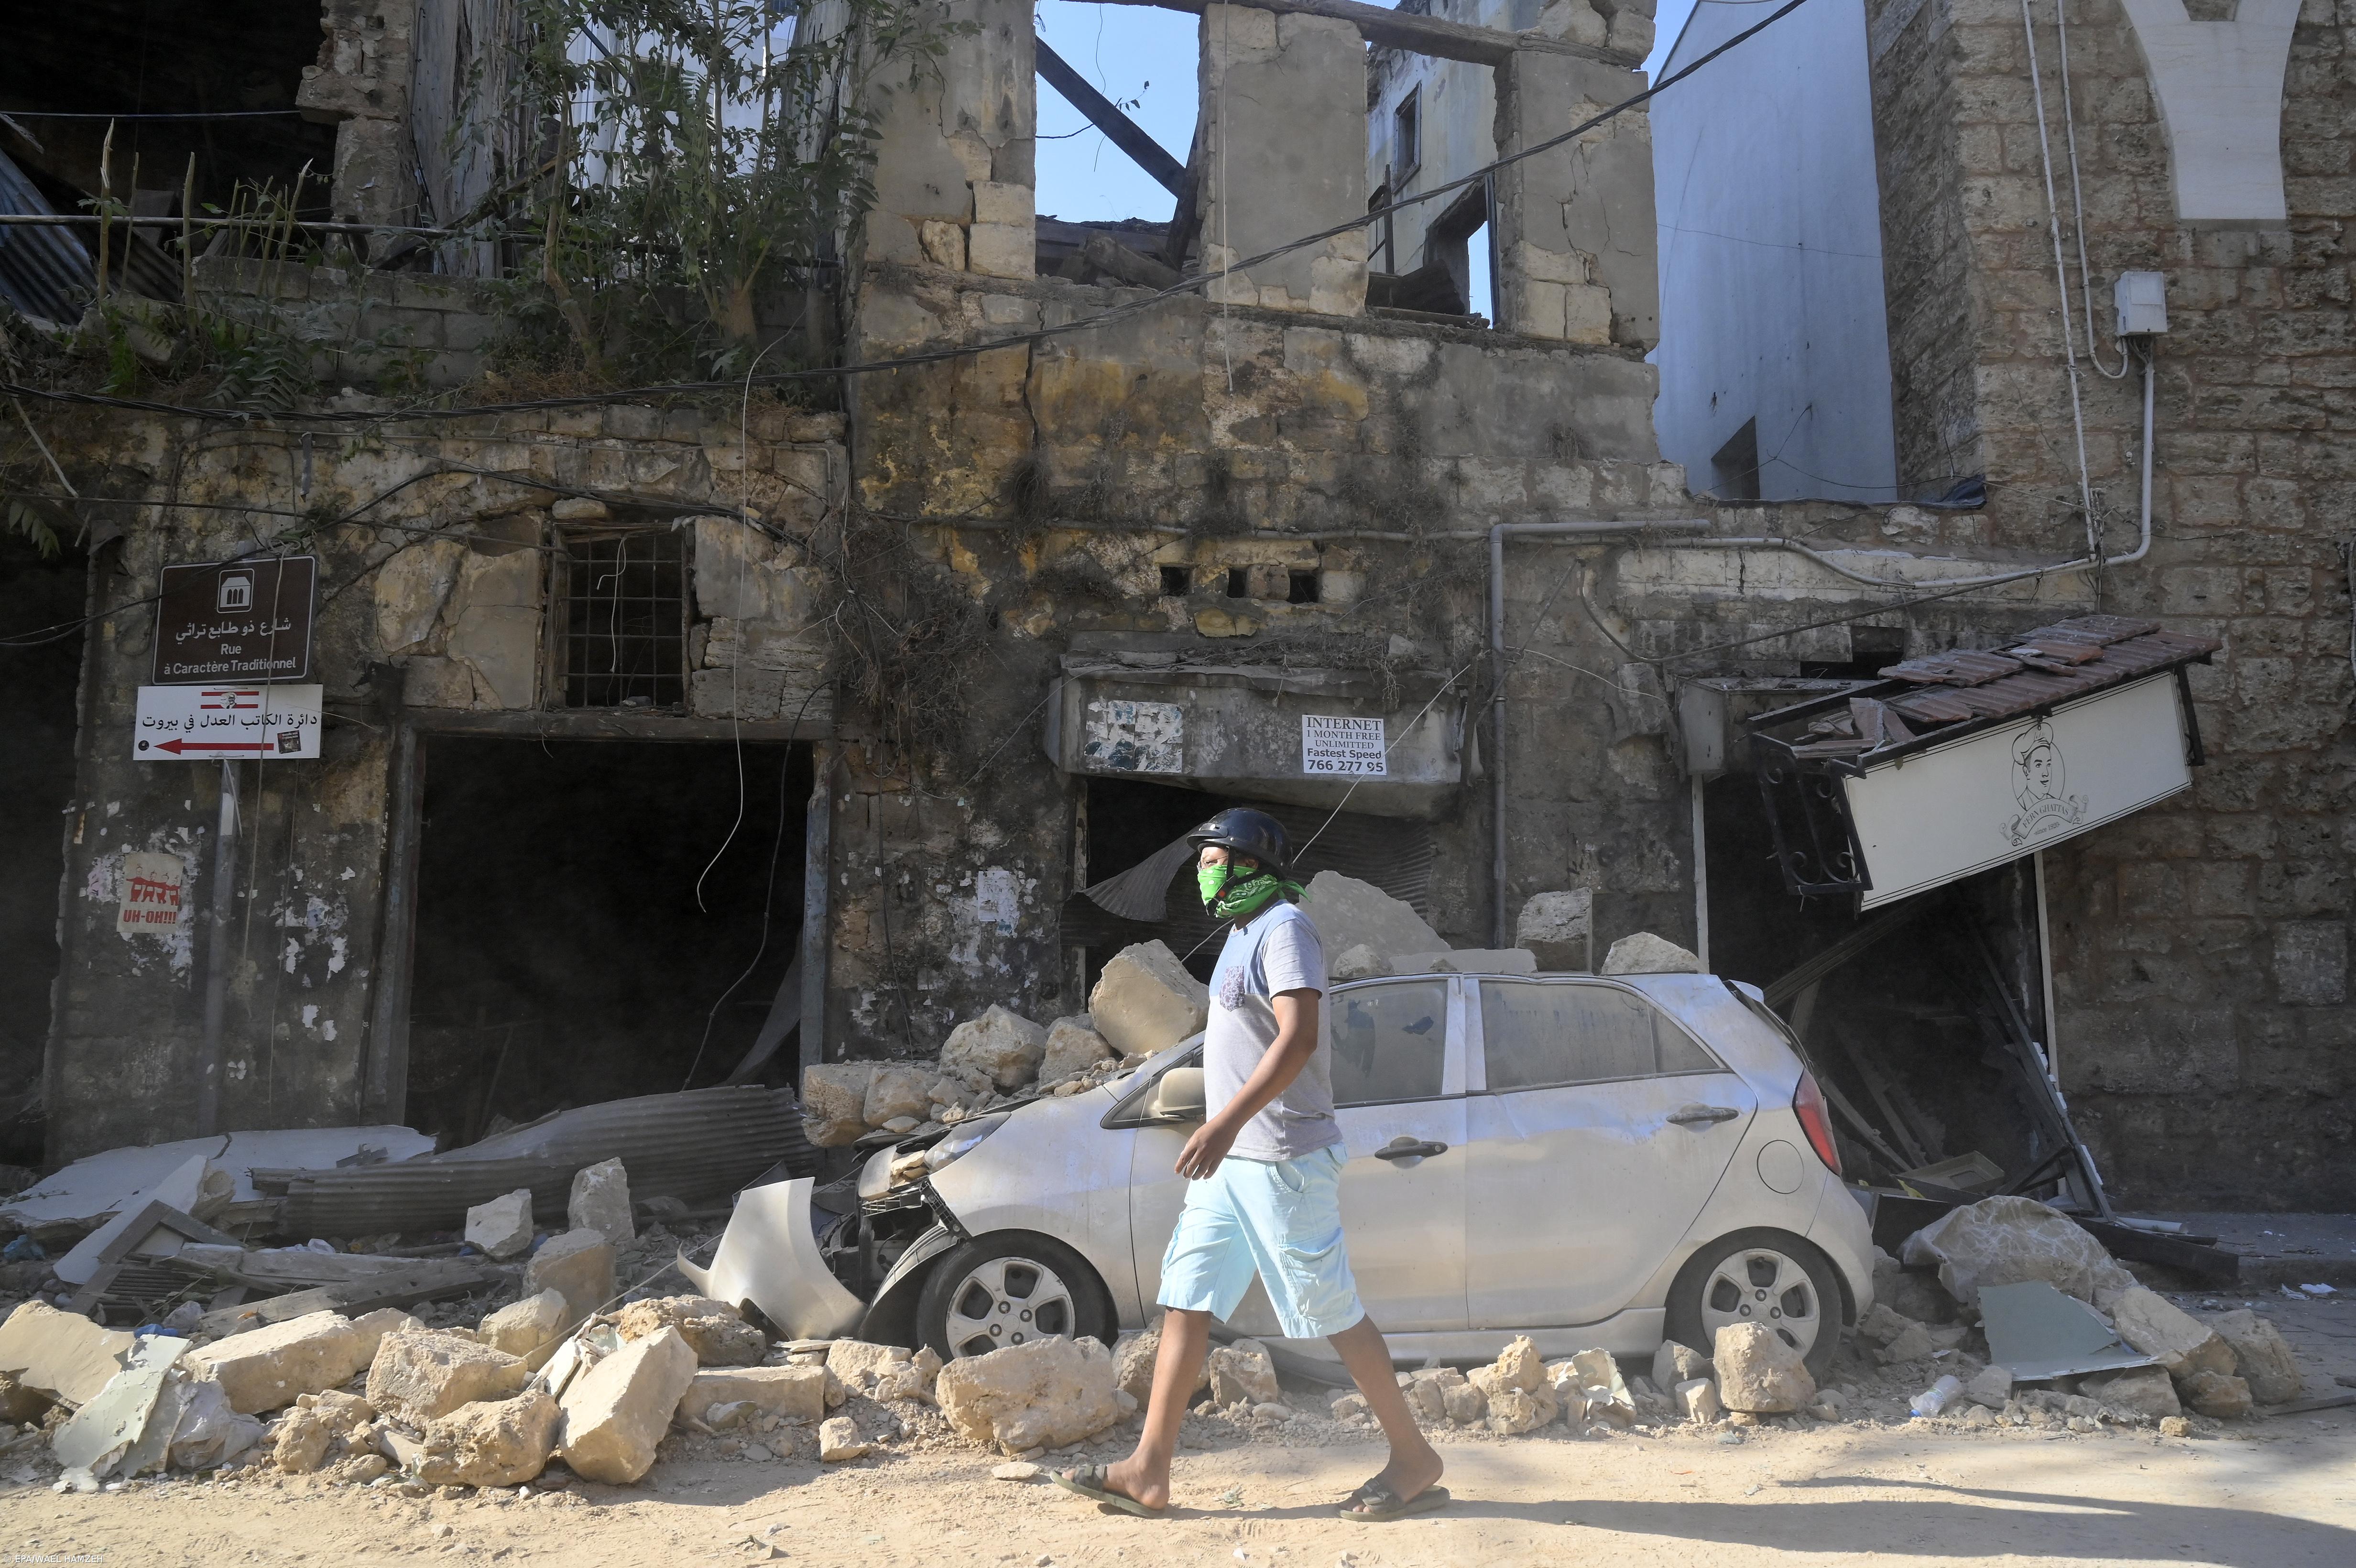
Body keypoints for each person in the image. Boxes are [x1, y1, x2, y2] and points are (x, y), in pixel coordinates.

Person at [1053, 807, 1447, 1522]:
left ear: (1249, 867)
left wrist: (1224, 1124)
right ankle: (1148, 1471)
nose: (1202, 872)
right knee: (1187, 1297)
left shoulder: (1285, 929)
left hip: (1281, 1155)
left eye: (1211, 859)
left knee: (1331, 1309)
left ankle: (1414, 1457)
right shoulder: (1238, 935)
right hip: (1237, 1161)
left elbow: (1298, 1039)